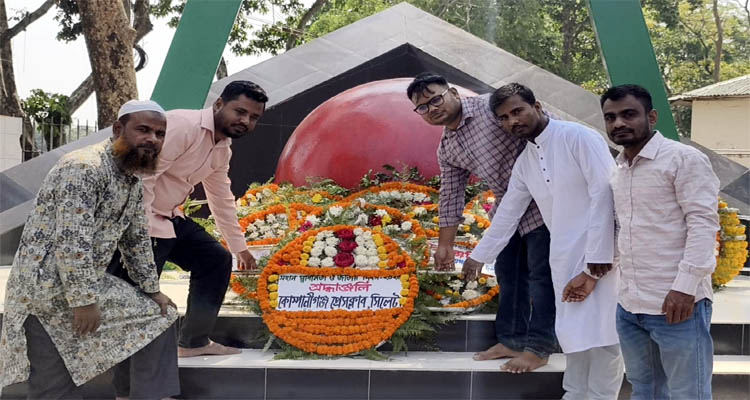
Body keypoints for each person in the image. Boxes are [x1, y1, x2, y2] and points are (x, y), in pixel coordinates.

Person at [0, 100, 180, 400]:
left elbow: (136, 239)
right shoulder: (83, 167)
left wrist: (152, 290)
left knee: (159, 315)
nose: (152, 139)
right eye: (143, 130)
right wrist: (83, 302)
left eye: (159, 134)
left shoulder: (130, 179)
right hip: (42, 291)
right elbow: (72, 240)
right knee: (54, 386)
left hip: (88, 285)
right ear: (118, 129)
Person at [463, 83, 624, 398]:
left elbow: (606, 196)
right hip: (563, 257)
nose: (513, 121)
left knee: (604, 336)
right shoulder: (526, 161)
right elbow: (509, 212)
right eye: (504, 118)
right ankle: (575, 394)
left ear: (536, 106)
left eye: (517, 111)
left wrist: (598, 261)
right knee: (575, 335)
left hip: (602, 254)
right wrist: (479, 256)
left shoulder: (579, 137)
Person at [407, 73, 557, 373]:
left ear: (452, 92)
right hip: (508, 215)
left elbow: (546, 127)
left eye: (436, 99)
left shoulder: (492, 107)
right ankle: (512, 340)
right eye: (423, 107)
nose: (432, 108)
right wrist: (445, 245)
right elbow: (451, 195)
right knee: (509, 275)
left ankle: (539, 348)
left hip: (545, 205)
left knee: (542, 278)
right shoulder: (448, 148)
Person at [108, 80, 267, 361]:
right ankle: (124, 359)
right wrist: (141, 235)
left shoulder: (222, 148)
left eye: (253, 117)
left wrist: (239, 247)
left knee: (215, 259)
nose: (245, 121)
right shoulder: (183, 127)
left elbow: (220, 197)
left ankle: (193, 342)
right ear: (219, 104)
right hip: (140, 220)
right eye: (240, 112)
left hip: (169, 217)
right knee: (139, 293)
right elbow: (143, 179)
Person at [601, 84, 719, 400]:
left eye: (628, 114)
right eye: (610, 117)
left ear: (651, 117)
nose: (618, 123)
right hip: (630, 306)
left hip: (678, 305)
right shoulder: (619, 169)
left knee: (688, 394)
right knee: (645, 390)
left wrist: (685, 287)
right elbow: (625, 230)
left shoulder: (683, 159)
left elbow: (703, 224)